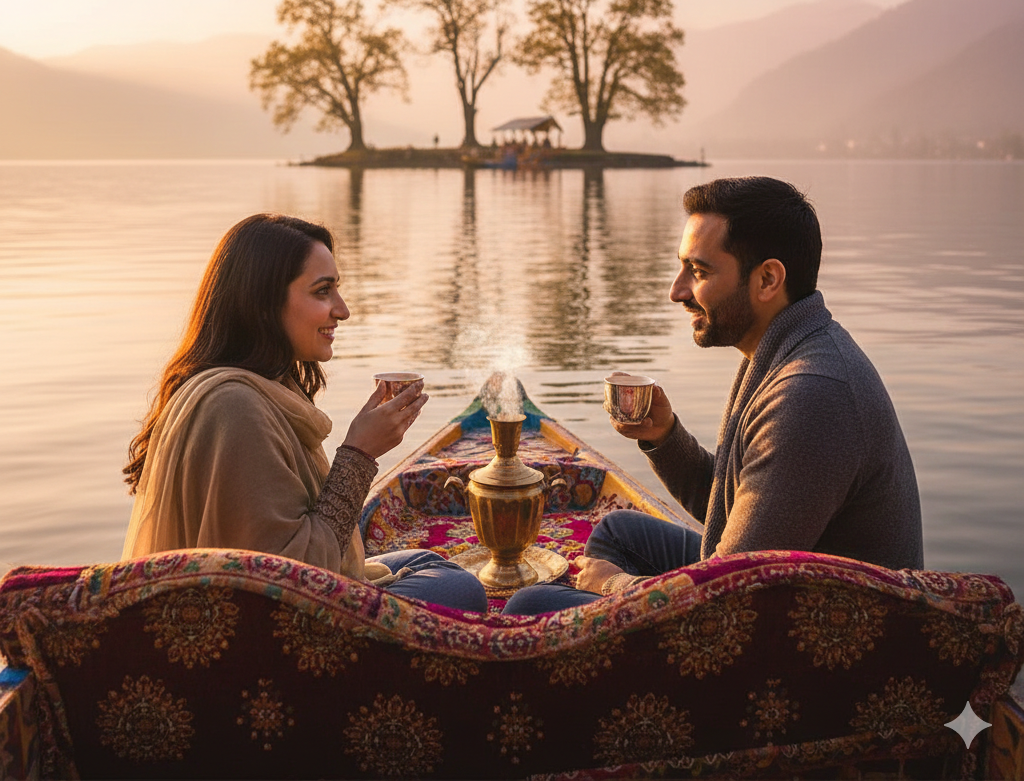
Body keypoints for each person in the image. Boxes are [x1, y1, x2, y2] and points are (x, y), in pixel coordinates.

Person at [504, 176, 923, 614]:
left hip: (813, 638)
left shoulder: (811, 394)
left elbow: (725, 600)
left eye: (698, 272)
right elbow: (735, 511)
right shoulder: (782, 351)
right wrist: (664, 438)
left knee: (529, 605)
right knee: (618, 533)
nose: (677, 290)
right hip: (774, 588)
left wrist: (617, 587)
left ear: (767, 279)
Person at [122, 213, 487, 612]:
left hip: (298, 597)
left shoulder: (259, 387)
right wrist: (359, 455)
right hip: (285, 635)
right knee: (460, 588)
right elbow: (292, 584)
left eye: (337, 290)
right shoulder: (234, 408)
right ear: (264, 305)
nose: (342, 310)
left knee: (428, 562)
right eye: (322, 292)